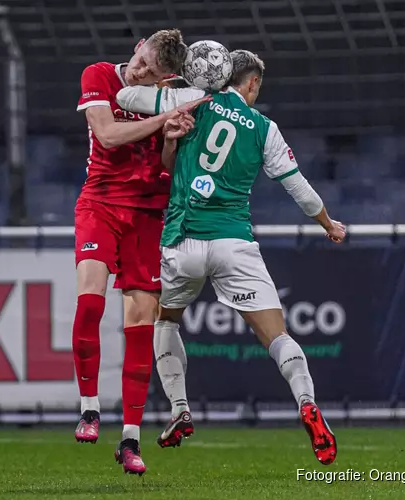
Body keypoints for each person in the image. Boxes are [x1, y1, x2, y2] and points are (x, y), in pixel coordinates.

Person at [115, 50, 345, 466]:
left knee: (165, 321)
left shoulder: (194, 102)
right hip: (234, 243)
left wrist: (171, 90)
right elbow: (299, 187)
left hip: (182, 239)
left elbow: (127, 98)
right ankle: (307, 404)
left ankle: (180, 408)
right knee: (277, 337)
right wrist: (328, 223)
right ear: (252, 83)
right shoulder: (264, 128)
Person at [73, 28, 208, 476]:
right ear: (137, 48)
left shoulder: (166, 100)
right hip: (100, 204)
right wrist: (164, 117)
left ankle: (129, 439)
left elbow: (169, 168)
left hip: (150, 214)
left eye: (152, 72)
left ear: (166, 78)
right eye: (143, 60)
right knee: (90, 302)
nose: (141, 70)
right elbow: (108, 136)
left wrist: (173, 136)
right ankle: (90, 408)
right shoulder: (98, 74)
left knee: (139, 326)